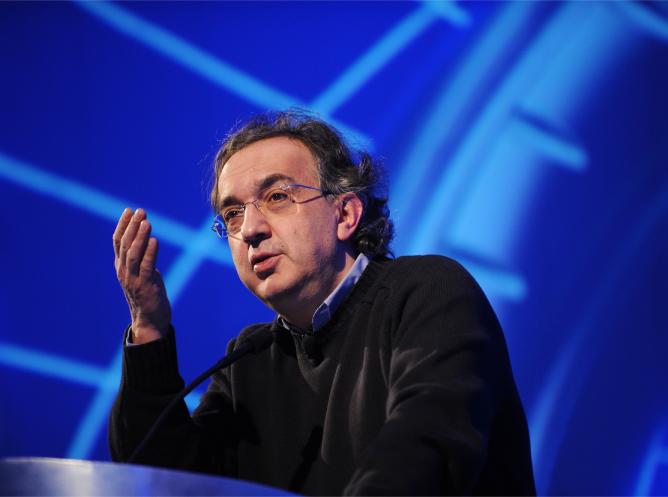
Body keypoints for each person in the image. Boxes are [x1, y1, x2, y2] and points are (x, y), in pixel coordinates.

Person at [109, 110, 536, 495]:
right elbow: (165, 486)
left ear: (345, 215)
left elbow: (425, 452)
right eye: (233, 214)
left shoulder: (428, 292)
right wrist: (148, 329)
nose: (250, 229)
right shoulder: (248, 362)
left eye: (277, 196)